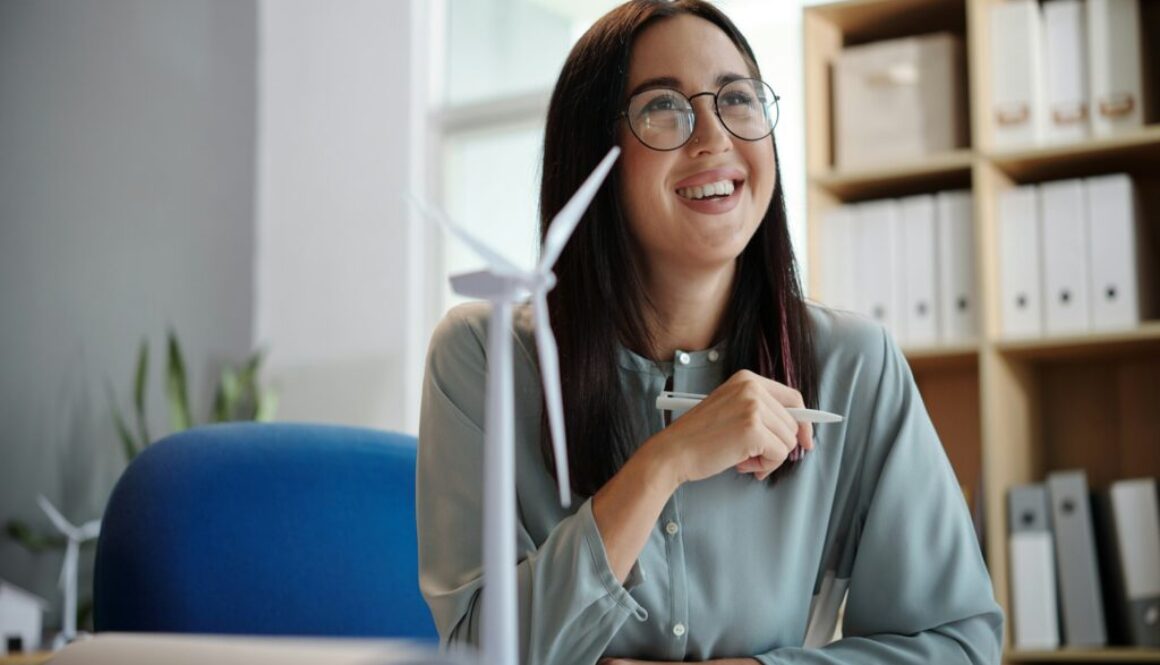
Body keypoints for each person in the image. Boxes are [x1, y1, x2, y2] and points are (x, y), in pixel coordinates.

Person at [417, 1, 1004, 664]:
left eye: (738, 99)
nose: (714, 138)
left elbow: (957, 644)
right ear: (592, 155)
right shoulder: (483, 357)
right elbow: (476, 652)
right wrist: (664, 463)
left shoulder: (856, 365)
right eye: (663, 107)